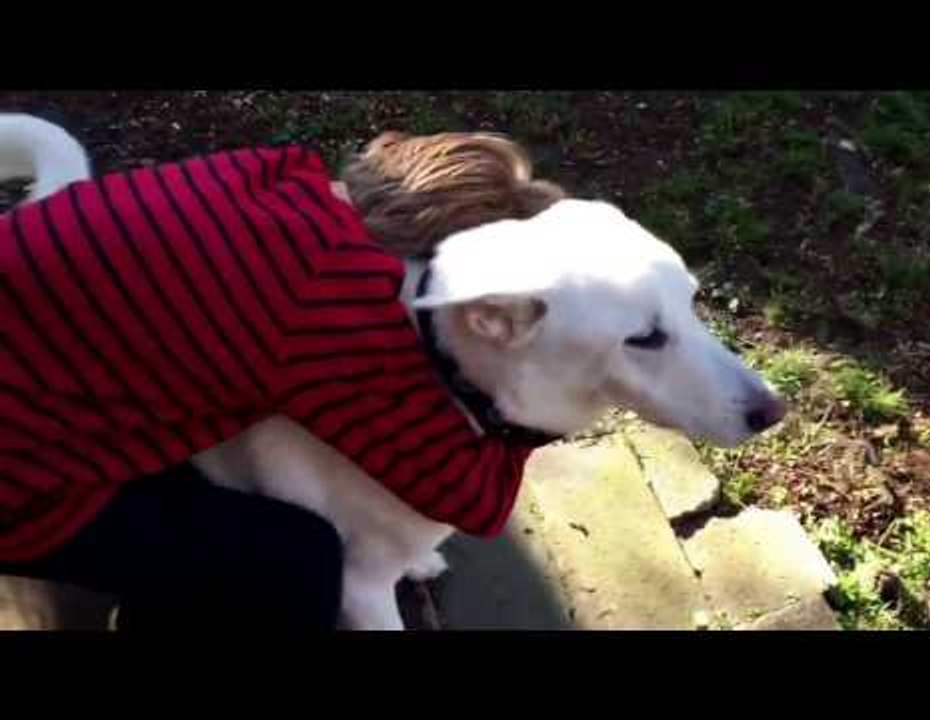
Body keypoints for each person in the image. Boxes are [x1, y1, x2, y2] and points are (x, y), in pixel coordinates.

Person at [0, 129, 564, 631]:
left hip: (33, 364)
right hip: (21, 487)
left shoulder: (274, 173)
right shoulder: (328, 300)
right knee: (295, 564)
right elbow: (475, 499)